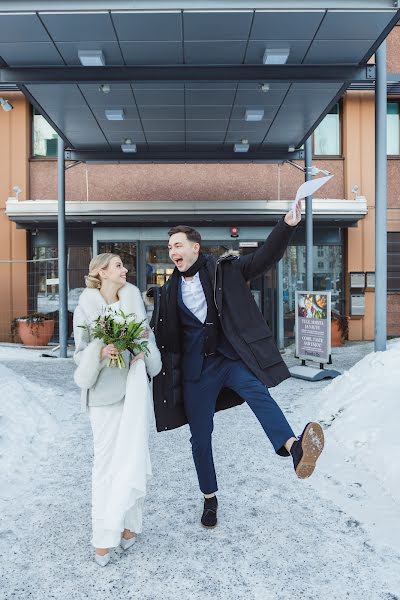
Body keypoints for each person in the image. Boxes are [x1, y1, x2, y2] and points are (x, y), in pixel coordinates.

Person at [150, 200, 324, 529]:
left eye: (178, 245)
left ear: (195, 247)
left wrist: (287, 224)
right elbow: (162, 338)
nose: (172, 250)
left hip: (228, 360)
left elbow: (264, 257)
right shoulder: (167, 292)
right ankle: (209, 498)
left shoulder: (224, 271)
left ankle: (294, 448)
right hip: (196, 373)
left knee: (257, 391)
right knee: (200, 439)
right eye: (169, 246)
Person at [73, 253, 161, 566]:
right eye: (118, 266)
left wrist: (142, 350)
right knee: (107, 465)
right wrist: (101, 350)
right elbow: (79, 354)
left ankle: (128, 527)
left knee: (133, 458)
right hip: (103, 397)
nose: (125, 270)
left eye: (124, 265)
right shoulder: (87, 306)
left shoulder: (133, 302)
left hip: (134, 392)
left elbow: (148, 346)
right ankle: (102, 537)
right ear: (101, 272)